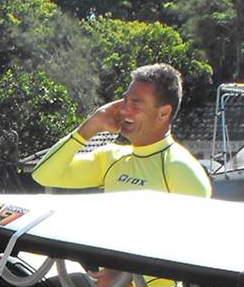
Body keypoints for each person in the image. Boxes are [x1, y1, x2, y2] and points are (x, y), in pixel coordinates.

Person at [30, 63, 211, 198]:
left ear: (163, 113)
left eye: (136, 103)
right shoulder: (110, 158)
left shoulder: (181, 168)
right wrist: (88, 128)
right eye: (125, 100)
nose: (124, 110)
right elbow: (43, 175)